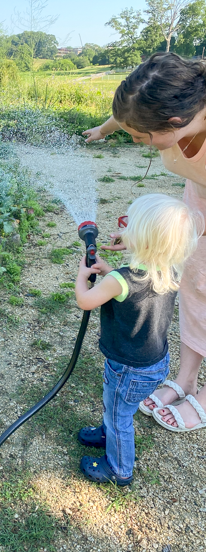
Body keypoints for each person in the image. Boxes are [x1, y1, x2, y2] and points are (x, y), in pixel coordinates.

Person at [83, 52, 206, 432]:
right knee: (192, 283)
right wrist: (104, 130)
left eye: (140, 137)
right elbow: (128, 114)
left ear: (173, 123)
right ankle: (186, 379)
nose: (135, 140)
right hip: (199, 197)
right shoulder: (166, 105)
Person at [75, 194, 201, 485]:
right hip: (153, 362)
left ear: (141, 240)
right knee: (116, 405)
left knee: (120, 414)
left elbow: (85, 300)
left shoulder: (119, 281)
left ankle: (119, 469)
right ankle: (108, 433)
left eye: (128, 224)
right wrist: (109, 272)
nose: (123, 228)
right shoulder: (168, 271)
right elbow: (133, 290)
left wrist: (83, 276)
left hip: (127, 368)